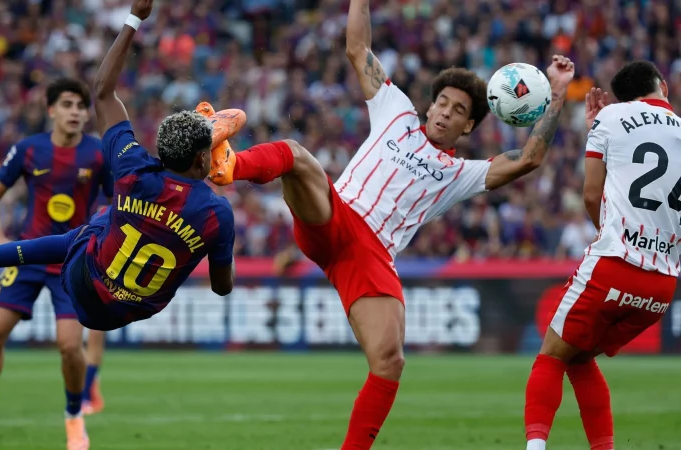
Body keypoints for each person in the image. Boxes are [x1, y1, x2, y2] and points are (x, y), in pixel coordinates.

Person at [204, 0, 575, 447]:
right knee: (296, 155)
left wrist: (556, 94)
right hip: (335, 216)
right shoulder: (395, 109)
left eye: (457, 110)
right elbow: (357, 48)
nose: (444, 112)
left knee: (390, 362)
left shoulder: (464, 173)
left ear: (470, 125)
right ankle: (228, 164)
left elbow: (530, 158)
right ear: (429, 104)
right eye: (441, 102)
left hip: (372, 253)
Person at [0, 0, 240, 419]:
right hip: (130, 309)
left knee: (100, 222)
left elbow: (102, 91)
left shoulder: (132, 168)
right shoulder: (219, 215)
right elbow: (222, 287)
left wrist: (135, 18)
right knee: (107, 223)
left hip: (85, 282)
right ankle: (208, 141)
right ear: (202, 162)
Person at [0, 78, 113, 450]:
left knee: (70, 347)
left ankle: (74, 421)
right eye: (67, 104)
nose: (76, 112)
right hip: (27, 257)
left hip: (72, 260)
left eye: (81, 107)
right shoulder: (28, 150)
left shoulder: (99, 154)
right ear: (51, 110)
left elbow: (120, 204)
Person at [523, 61, 681, 450]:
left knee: (552, 355)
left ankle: (534, 447)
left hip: (615, 264)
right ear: (662, 86)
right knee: (578, 357)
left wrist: (598, 127)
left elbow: (591, 194)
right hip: (662, 285)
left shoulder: (611, 116)